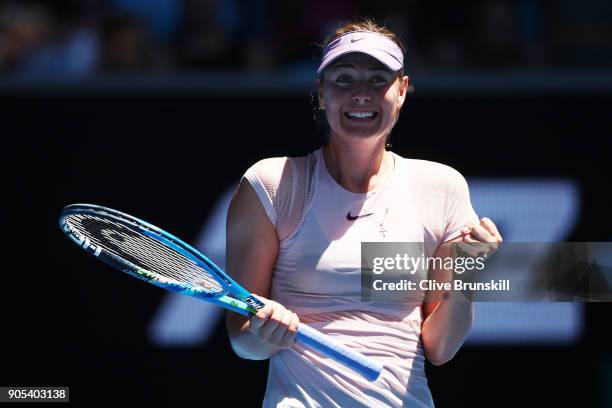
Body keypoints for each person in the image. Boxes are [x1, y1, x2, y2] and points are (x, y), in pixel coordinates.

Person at [226, 18, 502, 407]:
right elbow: (243, 342)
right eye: (343, 79)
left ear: (402, 91)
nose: (360, 93)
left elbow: (440, 347)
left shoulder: (442, 187)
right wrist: (263, 332)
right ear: (321, 93)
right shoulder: (271, 183)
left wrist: (467, 274)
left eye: (377, 79)